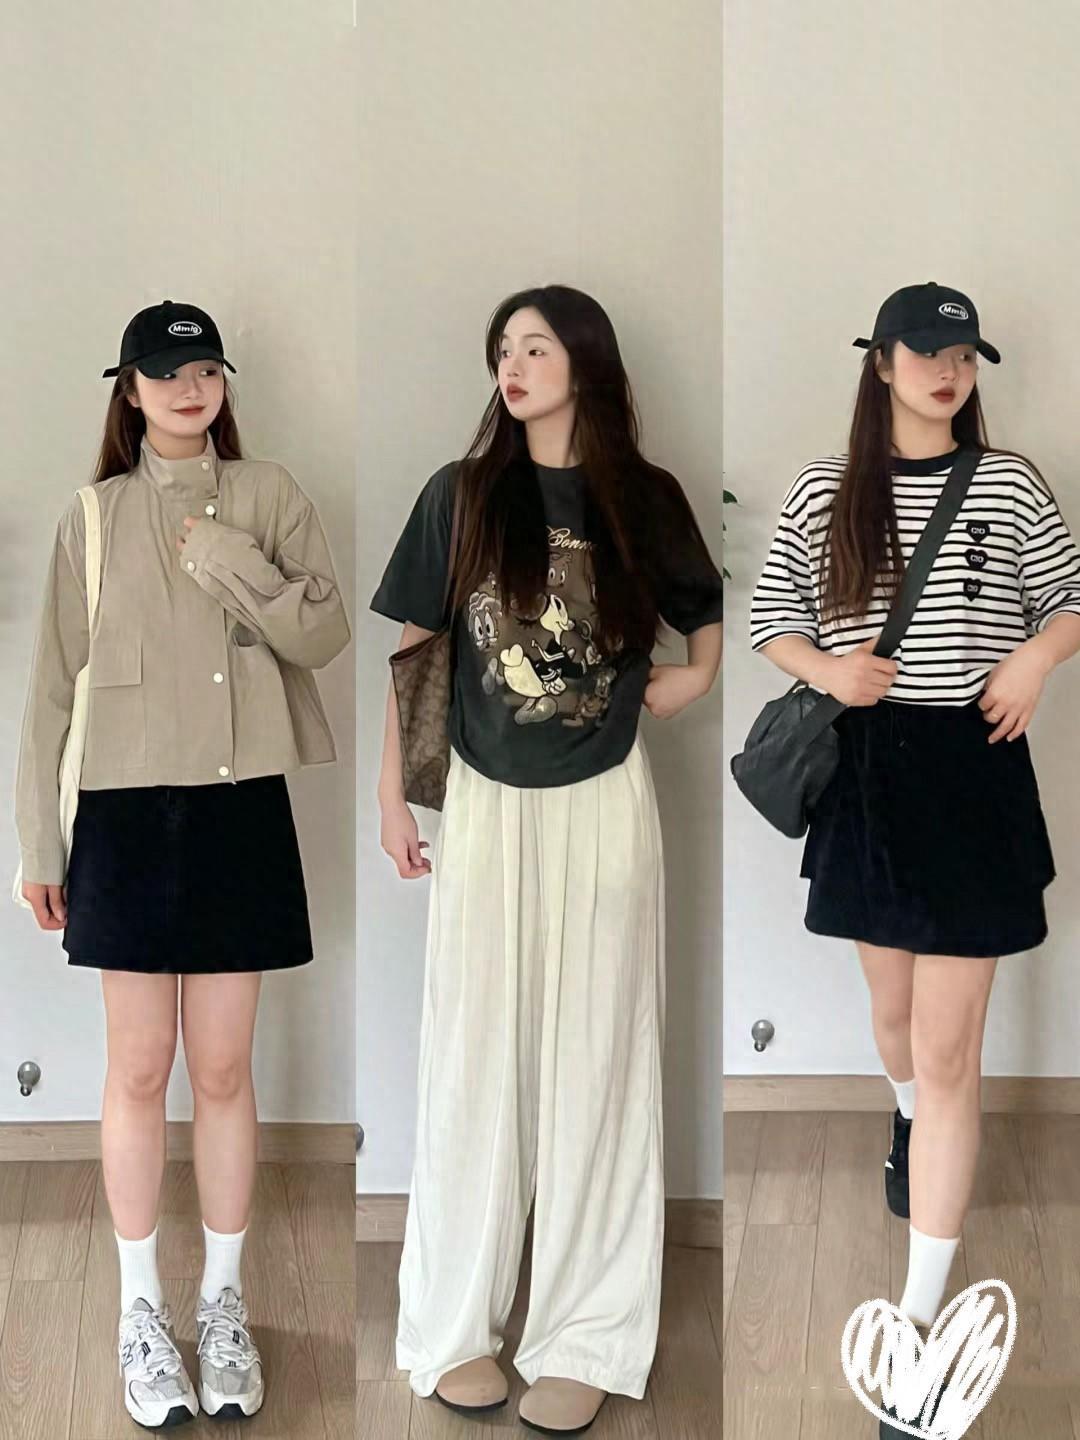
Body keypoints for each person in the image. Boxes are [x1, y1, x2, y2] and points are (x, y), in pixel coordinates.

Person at [372, 284, 723, 1435]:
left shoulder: (644, 497)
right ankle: (455, 1325)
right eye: (503, 349)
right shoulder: (463, 493)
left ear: (585, 362)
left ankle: (587, 1334)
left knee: (600, 1059)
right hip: (484, 800)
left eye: (535, 346)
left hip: (605, 799)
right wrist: (394, 794)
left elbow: (703, 607)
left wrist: (697, 676)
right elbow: (418, 647)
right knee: (474, 1058)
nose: (513, 365)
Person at [749, 281, 1080, 1437]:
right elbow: (771, 619)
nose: (948, 371)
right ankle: (902, 1115)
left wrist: (1035, 659)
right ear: (881, 362)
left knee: (949, 1052)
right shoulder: (826, 489)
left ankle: (920, 1323)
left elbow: (1071, 599)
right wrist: (830, 671)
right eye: (928, 352)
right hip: (868, 773)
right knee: (895, 1025)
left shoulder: (1011, 483)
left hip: (975, 771)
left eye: (965, 356)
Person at [14, 299, 350, 1427]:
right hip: (120, 815)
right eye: (165, 373)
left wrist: (227, 558)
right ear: (130, 391)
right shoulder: (94, 517)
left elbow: (323, 633)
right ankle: (139, 1311)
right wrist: (39, 841)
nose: (189, 388)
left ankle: (222, 1304)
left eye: (205, 369)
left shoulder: (269, 495)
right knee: (138, 1068)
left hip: (238, 809)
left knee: (222, 1068)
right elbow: (50, 691)